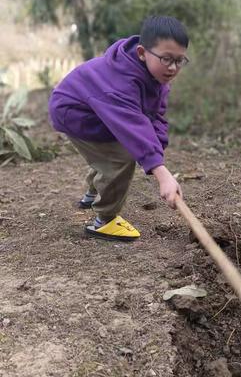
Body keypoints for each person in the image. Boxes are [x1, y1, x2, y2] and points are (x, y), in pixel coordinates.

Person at [48, 15, 189, 241]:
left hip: (97, 110)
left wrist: (157, 155)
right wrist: (161, 173)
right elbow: (132, 125)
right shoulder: (121, 82)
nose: (173, 68)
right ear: (143, 53)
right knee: (120, 156)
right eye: (166, 59)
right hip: (75, 112)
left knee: (118, 148)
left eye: (179, 60)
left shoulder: (156, 75)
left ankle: (92, 193)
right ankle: (104, 220)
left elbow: (156, 116)